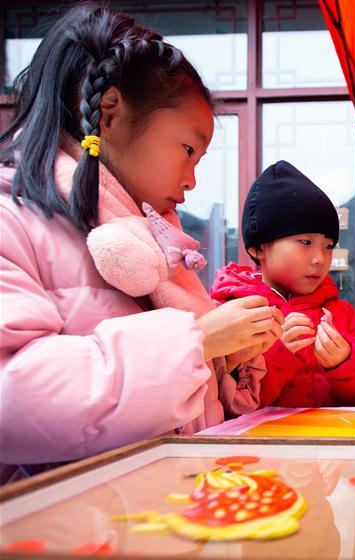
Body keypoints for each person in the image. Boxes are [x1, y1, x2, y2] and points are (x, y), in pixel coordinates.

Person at [0, 4, 282, 481]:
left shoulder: (153, 238)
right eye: (188, 149)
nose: (192, 179)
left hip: (164, 511)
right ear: (109, 112)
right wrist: (197, 344)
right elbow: (14, 399)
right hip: (72, 533)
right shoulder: (13, 217)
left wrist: (227, 366)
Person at [210, 161, 355, 408]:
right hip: (260, 447)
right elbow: (225, 408)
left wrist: (344, 362)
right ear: (259, 247)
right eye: (305, 242)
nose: (319, 258)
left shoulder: (341, 315)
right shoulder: (233, 312)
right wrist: (280, 355)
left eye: (327, 246)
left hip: (336, 444)